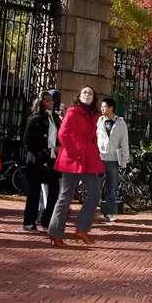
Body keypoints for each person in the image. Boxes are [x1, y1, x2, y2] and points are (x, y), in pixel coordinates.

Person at [47, 86, 103, 247]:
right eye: (84, 92)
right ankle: (55, 234)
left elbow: (92, 137)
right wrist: (73, 152)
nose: (87, 94)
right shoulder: (72, 112)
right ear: (79, 96)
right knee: (65, 197)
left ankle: (82, 229)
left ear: (94, 98)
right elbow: (62, 134)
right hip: (72, 158)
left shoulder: (94, 115)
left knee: (94, 194)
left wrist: (95, 150)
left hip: (88, 159)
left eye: (90, 93)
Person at [23, 92, 61, 231]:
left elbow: (60, 137)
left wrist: (58, 148)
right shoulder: (35, 119)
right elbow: (27, 142)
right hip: (36, 160)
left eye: (52, 100)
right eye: (47, 100)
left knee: (54, 191)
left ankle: (46, 221)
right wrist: (44, 151)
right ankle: (29, 221)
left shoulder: (56, 118)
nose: (50, 102)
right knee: (34, 192)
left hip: (53, 160)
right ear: (40, 102)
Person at [97, 97, 130, 222]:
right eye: (102, 106)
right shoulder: (98, 121)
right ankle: (94, 210)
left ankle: (109, 213)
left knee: (112, 187)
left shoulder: (120, 123)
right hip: (99, 157)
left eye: (104, 106)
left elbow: (125, 141)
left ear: (111, 108)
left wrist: (125, 159)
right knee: (96, 186)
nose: (102, 109)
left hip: (113, 159)